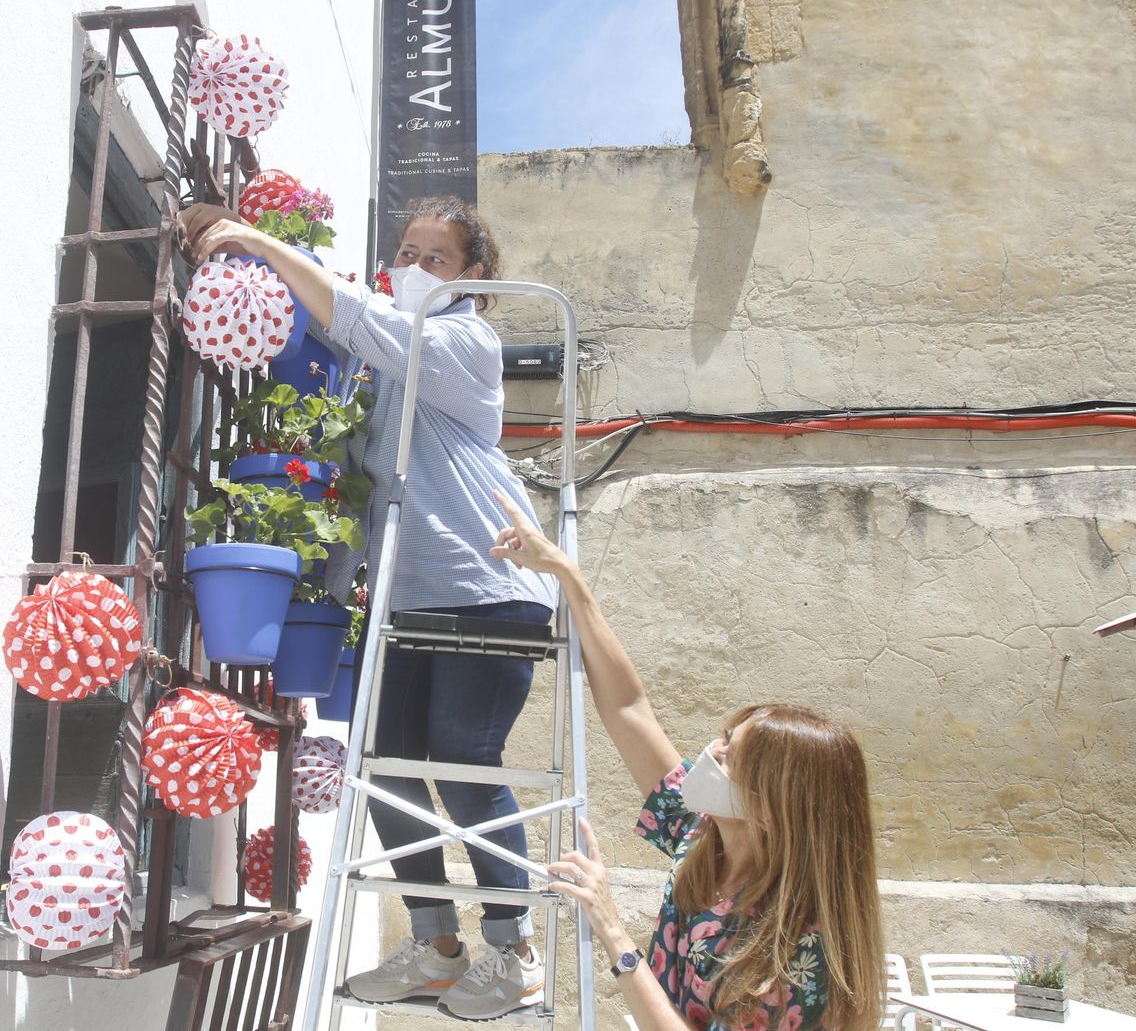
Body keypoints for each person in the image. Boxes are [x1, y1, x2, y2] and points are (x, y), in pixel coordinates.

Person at [181, 197, 557, 1020]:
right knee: (383, 771)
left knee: (464, 768)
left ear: (474, 278)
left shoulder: (462, 343)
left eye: (440, 257)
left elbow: (356, 317)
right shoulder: (378, 372)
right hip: (408, 600)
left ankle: (515, 949)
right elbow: (359, 495)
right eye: (408, 249)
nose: (417, 263)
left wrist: (253, 238)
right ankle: (435, 944)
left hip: (487, 588)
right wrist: (318, 604)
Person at [488, 491, 887, 1031]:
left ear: (774, 807)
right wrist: (564, 572)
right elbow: (629, 708)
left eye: (732, 754)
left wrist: (614, 934)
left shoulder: (800, 948)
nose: (712, 751)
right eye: (725, 736)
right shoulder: (703, 839)